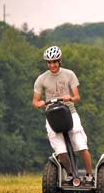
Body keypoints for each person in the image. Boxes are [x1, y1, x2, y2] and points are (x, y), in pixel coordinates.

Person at [32, 46, 94, 185]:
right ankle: (71, 175)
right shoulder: (41, 79)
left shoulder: (69, 74)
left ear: (59, 61)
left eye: (54, 62)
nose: (52, 65)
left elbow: (77, 97)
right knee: (59, 149)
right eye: (49, 62)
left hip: (70, 112)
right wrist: (39, 103)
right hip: (52, 115)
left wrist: (70, 98)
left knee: (80, 144)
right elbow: (35, 101)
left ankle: (90, 175)